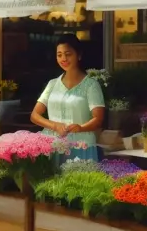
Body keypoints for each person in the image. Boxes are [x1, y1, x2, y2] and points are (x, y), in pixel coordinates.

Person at [30, 34, 105, 162]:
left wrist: (81, 128)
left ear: (79, 55)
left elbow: (98, 118)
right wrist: (54, 126)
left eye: (68, 54)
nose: (63, 58)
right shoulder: (52, 84)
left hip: (80, 146)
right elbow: (34, 115)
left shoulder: (91, 85)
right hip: (52, 146)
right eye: (59, 55)